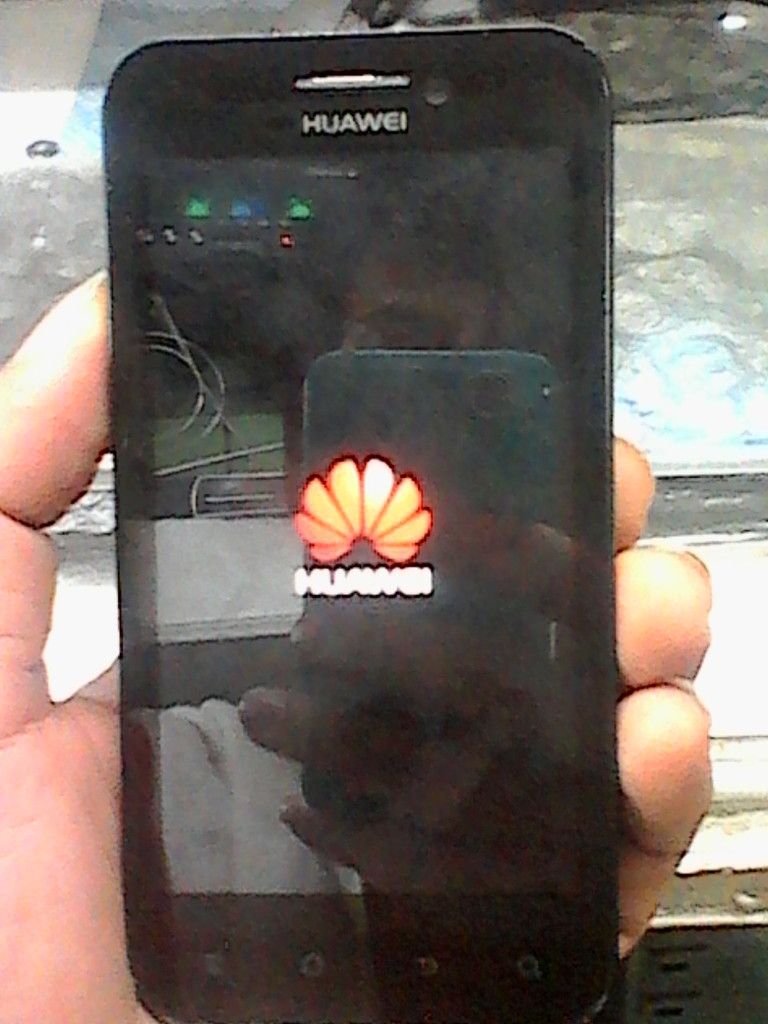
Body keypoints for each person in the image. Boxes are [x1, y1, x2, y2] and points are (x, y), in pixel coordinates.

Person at [0, 273, 713, 1023]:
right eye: (399, 358)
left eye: (485, 396)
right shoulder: (141, 821)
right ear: (298, 461)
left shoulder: (544, 785)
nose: (438, 444)